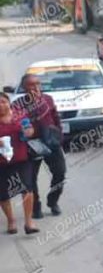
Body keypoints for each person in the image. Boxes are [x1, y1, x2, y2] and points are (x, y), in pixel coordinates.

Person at [12, 74, 66, 218]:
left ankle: (53, 201)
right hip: (31, 146)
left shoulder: (47, 99)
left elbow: (55, 118)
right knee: (30, 178)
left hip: (51, 143)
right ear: (24, 87)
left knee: (60, 173)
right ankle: (36, 207)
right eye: (31, 84)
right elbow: (16, 124)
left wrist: (59, 136)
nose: (36, 87)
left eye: (38, 83)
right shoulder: (17, 104)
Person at [0, 93, 38, 234]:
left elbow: (30, 129)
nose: (1, 105)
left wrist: (28, 131)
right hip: (2, 162)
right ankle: (11, 221)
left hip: (21, 159)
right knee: (3, 194)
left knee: (27, 188)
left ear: (9, 103)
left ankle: (29, 222)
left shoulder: (19, 115)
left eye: (3, 101)